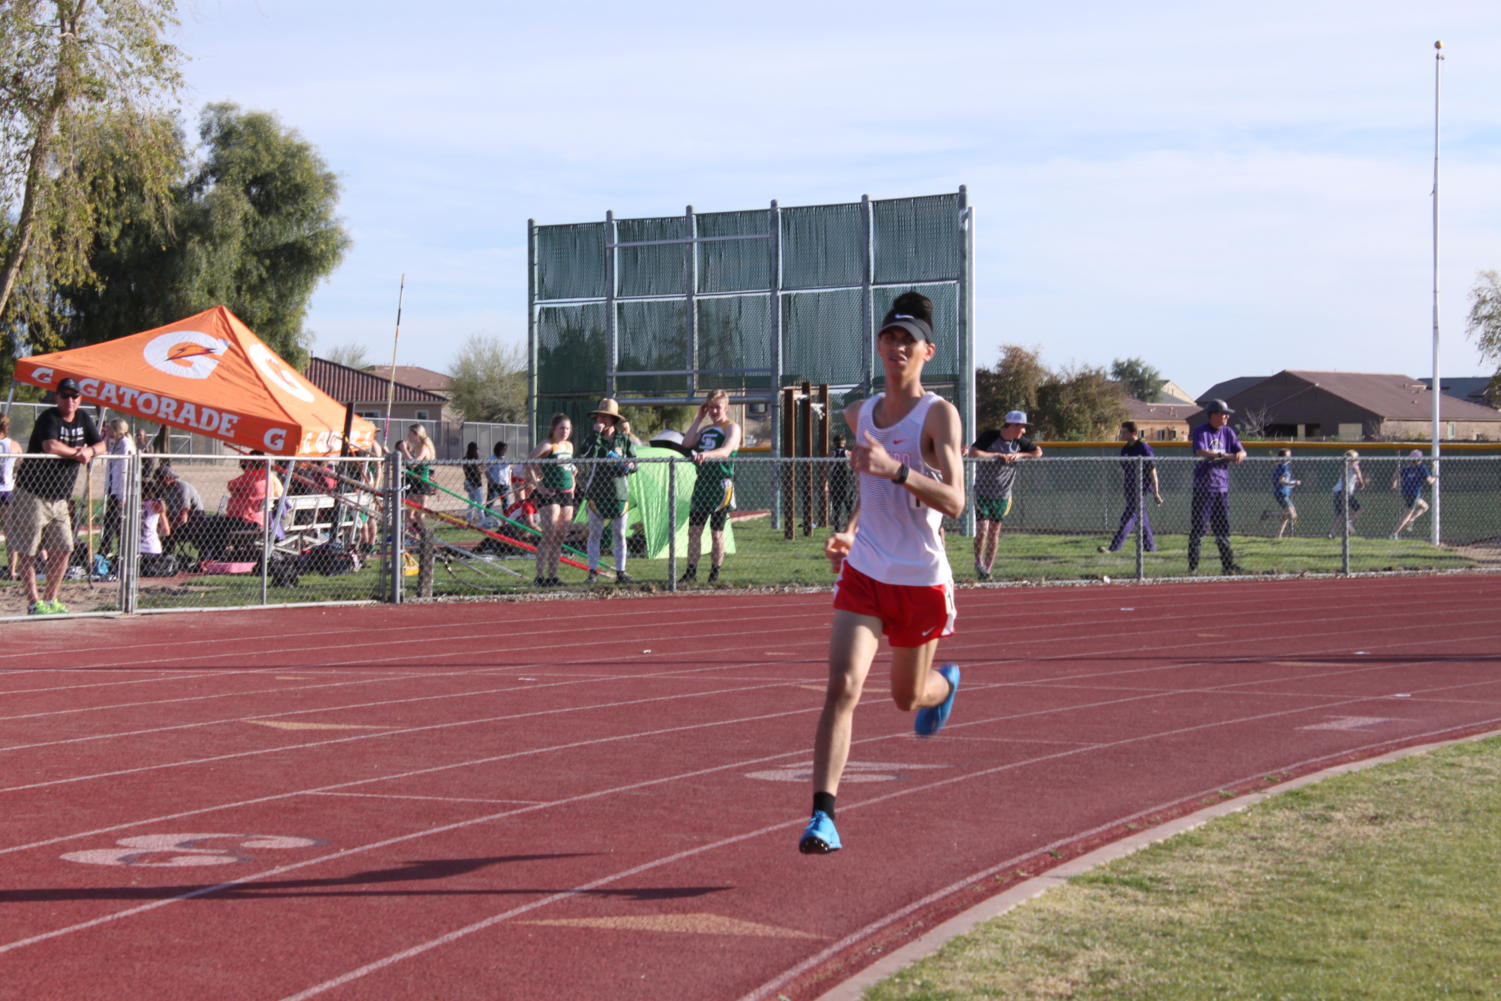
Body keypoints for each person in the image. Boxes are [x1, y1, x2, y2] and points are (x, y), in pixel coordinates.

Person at [801, 291, 965, 856]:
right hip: (866, 568)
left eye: (908, 341)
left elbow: (956, 501)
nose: (897, 347)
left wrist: (900, 471)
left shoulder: (938, 414)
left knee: (906, 697)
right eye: (889, 338)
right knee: (842, 686)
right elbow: (869, 487)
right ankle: (824, 817)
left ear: (927, 351)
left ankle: (944, 686)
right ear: (879, 346)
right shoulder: (859, 413)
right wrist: (850, 529)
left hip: (919, 578)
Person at [6, 378, 105, 614]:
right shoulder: (49, 417)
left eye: (75, 396)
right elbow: (50, 446)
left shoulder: (83, 418)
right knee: (28, 550)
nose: (70, 401)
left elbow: (101, 445)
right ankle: (34, 602)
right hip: (32, 494)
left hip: (61, 498)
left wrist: (90, 450)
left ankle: (51, 599)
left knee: (64, 548)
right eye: (65, 396)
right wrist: (77, 454)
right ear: (56, 397)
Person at [967, 410, 1042, 580]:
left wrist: (1019, 455)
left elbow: (1038, 452)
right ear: (1012, 425)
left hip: (1003, 495)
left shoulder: (1019, 442)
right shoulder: (990, 436)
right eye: (1021, 427)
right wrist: (997, 455)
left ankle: (987, 569)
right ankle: (978, 562)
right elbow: (973, 453)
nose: (1023, 431)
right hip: (983, 492)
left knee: (994, 532)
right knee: (982, 530)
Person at [679, 388, 742, 585]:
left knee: (717, 533)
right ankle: (691, 572)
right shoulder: (705, 429)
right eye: (711, 408)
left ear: (726, 407)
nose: (714, 411)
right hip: (702, 485)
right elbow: (687, 442)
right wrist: (698, 418)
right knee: (694, 531)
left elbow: (726, 450)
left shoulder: (732, 427)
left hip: (721, 485)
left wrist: (706, 455)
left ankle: (714, 573)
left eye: (717, 407)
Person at [575, 398, 638, 584]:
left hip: (619, 492)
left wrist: (630, 464)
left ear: (613, 420)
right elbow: (584, 456)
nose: (601, 419)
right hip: (597, 492)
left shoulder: (623, 439)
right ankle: (592, 572)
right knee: (595, 534)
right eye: (599, 416)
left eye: (606, 417)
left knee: (619, 534)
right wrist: (596, 436)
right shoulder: (591, 439)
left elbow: (636, 464)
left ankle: (621, 572)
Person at [1188, 399, 1247, 575]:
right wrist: (1225, 455)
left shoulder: (1228, 432)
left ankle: (1228, 565)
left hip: (1221, 487)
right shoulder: (1201, 431)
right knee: (1199, 529)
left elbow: (1241, 451)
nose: (1227, 417)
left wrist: (1240, 454)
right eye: (1223, 414)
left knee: (1223, 529)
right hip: (1204, 488)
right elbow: (1201, 451)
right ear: (1213, 415)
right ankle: (1193, 568)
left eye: (1227, 414)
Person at [527, 412, 576, 586]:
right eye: (562, 428)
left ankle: (553, 576)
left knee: (561, 536)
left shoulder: (569, 446)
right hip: (550, 493)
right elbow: (529, 461)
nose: (565, 431)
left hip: (566, 493)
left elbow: (570, 467)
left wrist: (574, 484)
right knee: (549, 534)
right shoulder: (548, 445)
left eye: (568, 428)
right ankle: (539, 577)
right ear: (553, 429)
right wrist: (537, 485)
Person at [1099, 421, 1162, 553]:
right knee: (1142, 518)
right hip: (1130, 489)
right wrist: (1125, 487)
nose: (1122, 434)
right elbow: (1125, 471)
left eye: (1124, 432)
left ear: (1133, 433)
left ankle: (1114, 548)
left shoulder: (1144, 447)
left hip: (1140, 490)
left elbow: (1152, 470)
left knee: (1128, 518)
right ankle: (1150, 548)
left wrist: (1156, 492)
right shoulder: (1125, 449)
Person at [154, 463, 206, 558]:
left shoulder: (182, 487)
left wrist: (168, 528)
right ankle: (163, 557)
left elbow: (183, 517)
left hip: (195, 519)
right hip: (176, 518)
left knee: (167, 532)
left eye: (160, 479)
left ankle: (165, 557)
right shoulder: (164, 489)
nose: (158, 483)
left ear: (168, 478)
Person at [100, 419, 135, 558]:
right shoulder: (116, 443)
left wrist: (122, 495)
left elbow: (123, 470)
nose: (107, 431)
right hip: (114, 488)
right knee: (113, 521)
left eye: (109, 428)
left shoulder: (125, 444)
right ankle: (111, 550)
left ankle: (109, 550)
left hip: (121, 490)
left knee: (113, 522)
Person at [399, 423, 437, 534]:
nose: (408, 436)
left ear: (416, 434)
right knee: (409, 515)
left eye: (410, 433)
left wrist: (404, 449)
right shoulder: (415, 447)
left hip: (422, 484)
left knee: (419, 515)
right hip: (413, 483)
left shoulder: (424, 448)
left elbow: (413, 464)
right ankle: (420, 534)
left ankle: (426, 535)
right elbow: (408, 461)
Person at [1391, 450, 1436, 538]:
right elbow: (1430, 481)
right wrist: (1435, 477)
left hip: (1406, 493)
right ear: (1420, 459)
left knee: (1425, 506)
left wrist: (1394, 484)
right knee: (1407, 513)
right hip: (1414, 494)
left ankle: (1411, 519)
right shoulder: (1422, 468)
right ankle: (1394, 533)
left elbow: (1395, 475)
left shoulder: (1407, 468)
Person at [138, 478, 175, 575]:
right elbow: (166, 531)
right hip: (152, 550)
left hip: (134, 551)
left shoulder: (131, 505)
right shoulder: (156, 506)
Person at [0, 414, 21, 580]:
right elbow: (21, 464)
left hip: (6, 490)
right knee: (10, 533)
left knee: (10, 532)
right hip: (7, 491)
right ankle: (12, 570)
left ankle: (12, 570)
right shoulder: (14, 445)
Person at [1328, 449, 1366, 537]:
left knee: (1341, 515)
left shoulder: (1344, 466)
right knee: (1360, 510)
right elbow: (1357, 472)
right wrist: (1361, 482)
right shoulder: (1355, 466)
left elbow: (1350, 477)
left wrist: (1356, 481)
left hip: (1337, 491)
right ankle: (1349, 521)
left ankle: (1332, 532)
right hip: (1345, 492)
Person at [1264, 449, 1301, 539]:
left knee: (1288, 515)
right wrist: (1294, 483)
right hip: (1282, 494)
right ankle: (1269, 515)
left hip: (1282, 493)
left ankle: (1279, 535)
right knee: (1293, 515)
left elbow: (1280, 481)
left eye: (1290, 455)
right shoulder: (1284, 468)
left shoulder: (1280, 466)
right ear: (1283, 458)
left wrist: (1291, 484)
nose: (1290, 457)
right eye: (1287, 456)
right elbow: (1282, 481)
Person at [829, 433, 854, 532]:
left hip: (836, 482)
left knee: (837, 507)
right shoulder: (849, 454)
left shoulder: (832, 454)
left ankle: (838, 529)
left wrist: (826, 483)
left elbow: (825, 470)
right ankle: (850, 528)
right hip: (846, 483)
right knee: (849, 507)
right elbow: (855, 468)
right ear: (844, 443)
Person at [485, 441, 512, 526]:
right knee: (490, 504)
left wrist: (509, 482)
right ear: (498, 449)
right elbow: (486, 470)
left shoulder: (506, 460)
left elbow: (508, 471)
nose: (504, 451)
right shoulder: (491, 459)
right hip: (494, 485)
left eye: (505, 449)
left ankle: (506, 523)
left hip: (505, 486)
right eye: (503, 449)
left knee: (506, 505)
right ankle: (487, 521)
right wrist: (491, 480)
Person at [462, 442, 484, 525]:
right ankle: (482, 519)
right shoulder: (475, 459)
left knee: (472, 502)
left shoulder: (466, 459)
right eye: (477, 449)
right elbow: (478, 472)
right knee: (480, 502)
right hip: (475, 483)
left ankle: (469, 519)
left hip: (468, 482)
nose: (478, 451)